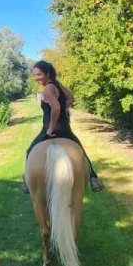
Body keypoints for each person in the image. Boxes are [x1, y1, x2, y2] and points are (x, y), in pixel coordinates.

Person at [23, 60, 104, 193]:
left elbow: (55, 108)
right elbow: (70, 98)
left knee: (29, 151)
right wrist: (61, 108)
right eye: (35, 75)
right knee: (80, 149)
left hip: (50, 129)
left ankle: (27, 182)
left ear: (47, 73)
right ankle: (93, 177)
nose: (36, 78)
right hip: (65, 129)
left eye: (39, 75)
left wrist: (50, 128)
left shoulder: (46, 90)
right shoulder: (57, 85)